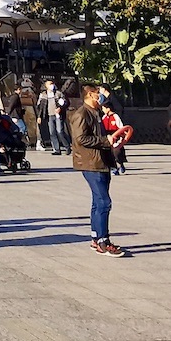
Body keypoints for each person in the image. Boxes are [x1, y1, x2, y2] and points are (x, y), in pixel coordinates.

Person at [68, 81, 130, 257]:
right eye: (97, 93)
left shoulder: (96, 112)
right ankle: (103, 240)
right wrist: (105, 141)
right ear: (89, 95)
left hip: (102, 161)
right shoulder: (81, 114)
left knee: (98, 202)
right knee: (104, 202)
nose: (100, 96)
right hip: (91, 163)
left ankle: (96, 238)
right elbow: (81, 139)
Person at [40, 79, 66, 155]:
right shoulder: (44, 95)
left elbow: (65, 102)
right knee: (52, 133)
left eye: (52, 83)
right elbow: (41, 106)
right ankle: (57, 149)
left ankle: (67, 146)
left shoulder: (58, 93)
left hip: (57, 115)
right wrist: (39, 116)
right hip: (49, 116)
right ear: (46, 86)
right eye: (49, 84)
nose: (51, 85)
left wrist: (60, 108)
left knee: (60, 131)